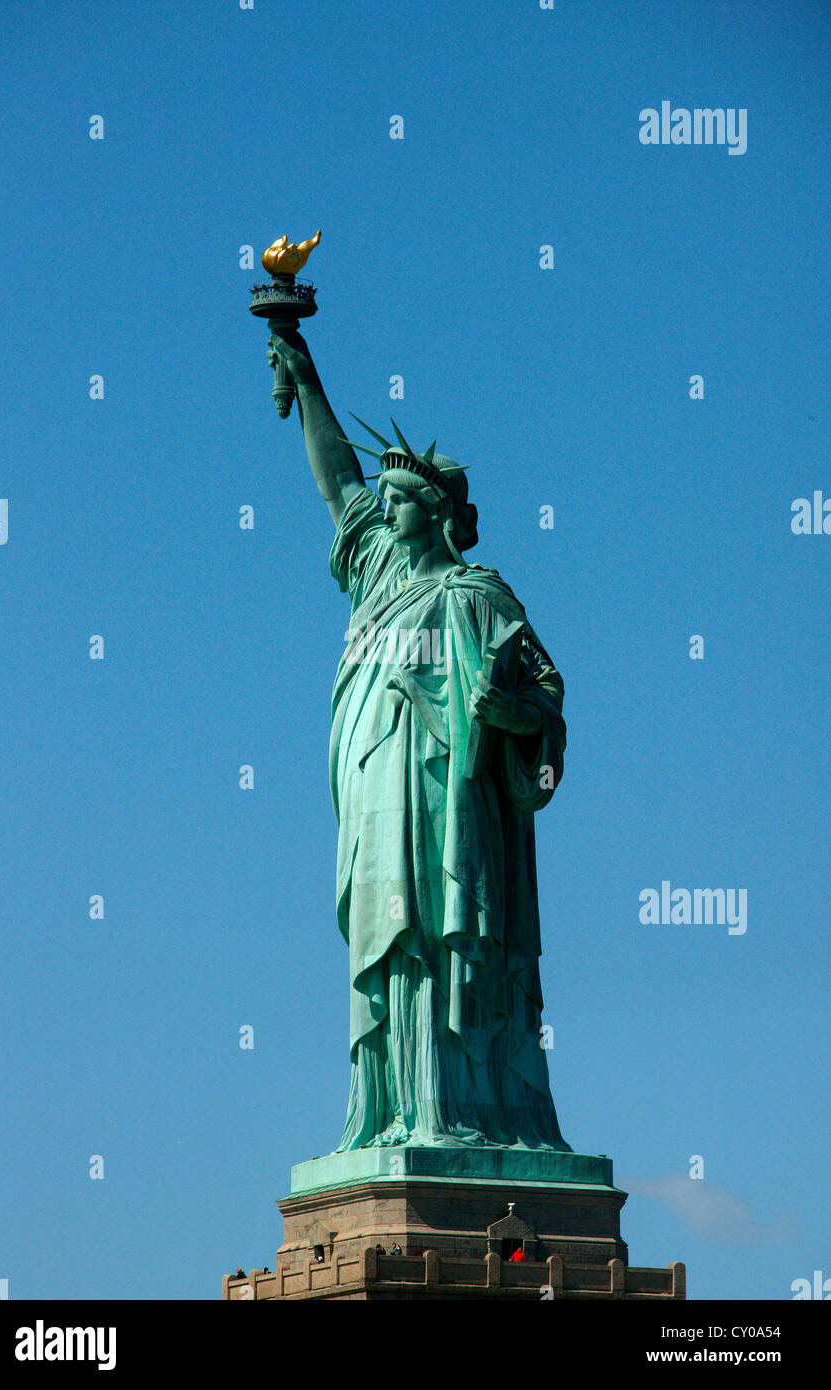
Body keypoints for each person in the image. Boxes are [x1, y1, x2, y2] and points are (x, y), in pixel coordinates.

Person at [267, 328, 571, 1154]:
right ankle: (396, 1109)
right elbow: (338, 485)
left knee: (439, 930)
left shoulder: (478, 596)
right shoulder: (376, 575)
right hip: (373, 786)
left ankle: (459, 1110)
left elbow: (547, 698)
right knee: (388, 932)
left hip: (451, 799)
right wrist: (306, 372)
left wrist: (510, 716)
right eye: (388, 497)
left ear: (434, 511)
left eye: (400, 497)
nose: (385, 506)